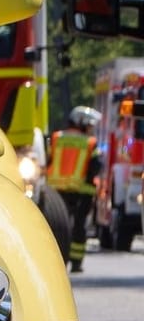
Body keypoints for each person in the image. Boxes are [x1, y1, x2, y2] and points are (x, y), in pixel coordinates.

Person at [48, 105, 105, 273]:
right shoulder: (90, 143)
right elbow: (96, 167)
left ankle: (56, 261)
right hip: (81, 191)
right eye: (89, 125)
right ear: (81, 122)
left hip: (56, 191)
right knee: (79, 227)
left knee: (57, 226)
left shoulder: (57, 137)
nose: (90, 129)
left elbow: (48, 160)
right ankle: (76, 262)